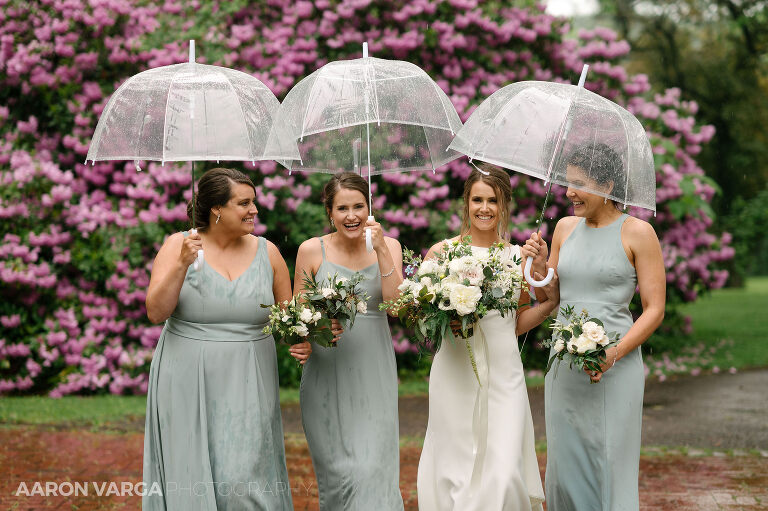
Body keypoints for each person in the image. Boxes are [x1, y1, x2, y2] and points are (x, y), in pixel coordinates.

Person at [142, 167, 310, 510]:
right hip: (186, 377)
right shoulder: (179, 245)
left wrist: (305, 337)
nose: (254, 210)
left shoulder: (269, 252)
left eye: (254, 202)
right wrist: (181, 265)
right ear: (217, 209)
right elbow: (156, 312)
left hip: (249, 378)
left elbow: (290, 319)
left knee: (243, 478)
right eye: (244, 203)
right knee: (190, 474)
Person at [523, 143, 666, 511]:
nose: (568, 192)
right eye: (567, 182)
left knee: (610, 463)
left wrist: (614, 353)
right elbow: (550, 297)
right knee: (565, 465)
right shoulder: (564, 228)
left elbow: (654, 310)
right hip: (565, 366)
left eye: (578, 183)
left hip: (616, 367)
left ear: (605, 185)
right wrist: (539, 267)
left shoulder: (638, 232)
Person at [417, 165, 559, 511]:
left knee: (504, 468)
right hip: (455, 370)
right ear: (465, 203)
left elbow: (516, 321)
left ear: (504, 205)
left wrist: (550, 300)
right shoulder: (441, 254)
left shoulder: (516, 257)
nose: (484, 208)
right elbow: (420, 319)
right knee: (455, 467)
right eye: (477, 199)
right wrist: (442, 321)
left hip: (504, 373)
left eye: (492, 200)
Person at [293, 171, 405, 510]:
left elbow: (397, 306)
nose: (352, 216)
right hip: (326, 374)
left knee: (371, 469)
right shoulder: (312, 250)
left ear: (370, 210)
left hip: (373, 370)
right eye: (342, 208)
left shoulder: (391, 246)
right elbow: (298, 314)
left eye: (359, 207)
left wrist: (382, 248)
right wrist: (314, 331)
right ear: (329, 212)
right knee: (339, 476)